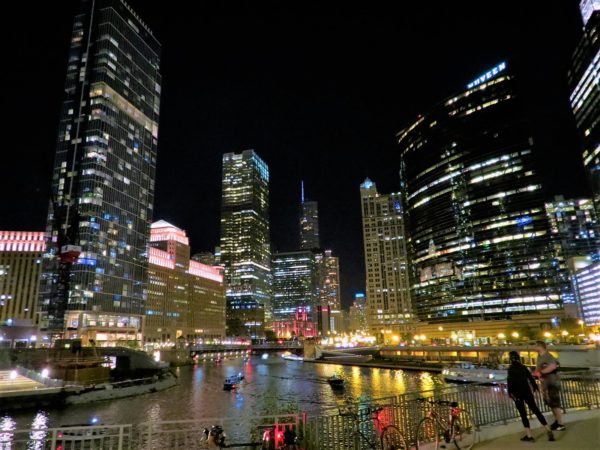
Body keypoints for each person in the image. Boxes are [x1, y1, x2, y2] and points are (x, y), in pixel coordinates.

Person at [507, 350, 555, 442]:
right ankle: (548, 429)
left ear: (510, 359)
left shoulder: (511, 369)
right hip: (527, 392)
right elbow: (530, 378)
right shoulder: (523, 367)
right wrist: (534, 387)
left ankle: (529, 436)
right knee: (536, 410)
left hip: (517, 394)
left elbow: (510, 382)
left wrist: (510, 393)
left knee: (523, 414)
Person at [532, 340, 565, 431]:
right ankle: (557, 421)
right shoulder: (540, 356)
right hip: (546, 383)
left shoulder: (548, 356)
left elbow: (553, 366)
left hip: (552, 382)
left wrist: (540, 372)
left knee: (555, 403)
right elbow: (538, 368)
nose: (533, 347)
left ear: (540, 346)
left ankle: (561, 424)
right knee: (551, 404)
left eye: (535, 346)